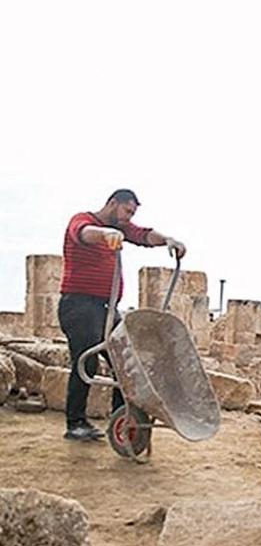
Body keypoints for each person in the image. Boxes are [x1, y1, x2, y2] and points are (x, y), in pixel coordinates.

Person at [58, 189, 186, 442]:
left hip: (106, 308)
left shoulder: (123, 227)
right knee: (86, 360)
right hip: (79, 305)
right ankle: (75, 423)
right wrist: (106, 234)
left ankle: (122, 417)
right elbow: (82, 233)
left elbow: (143, 235)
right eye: (127, 211)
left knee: (125, 362)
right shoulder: (84, 220)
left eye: (132, 214)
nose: (129, 218)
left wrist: (168, 240)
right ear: (113, 203)